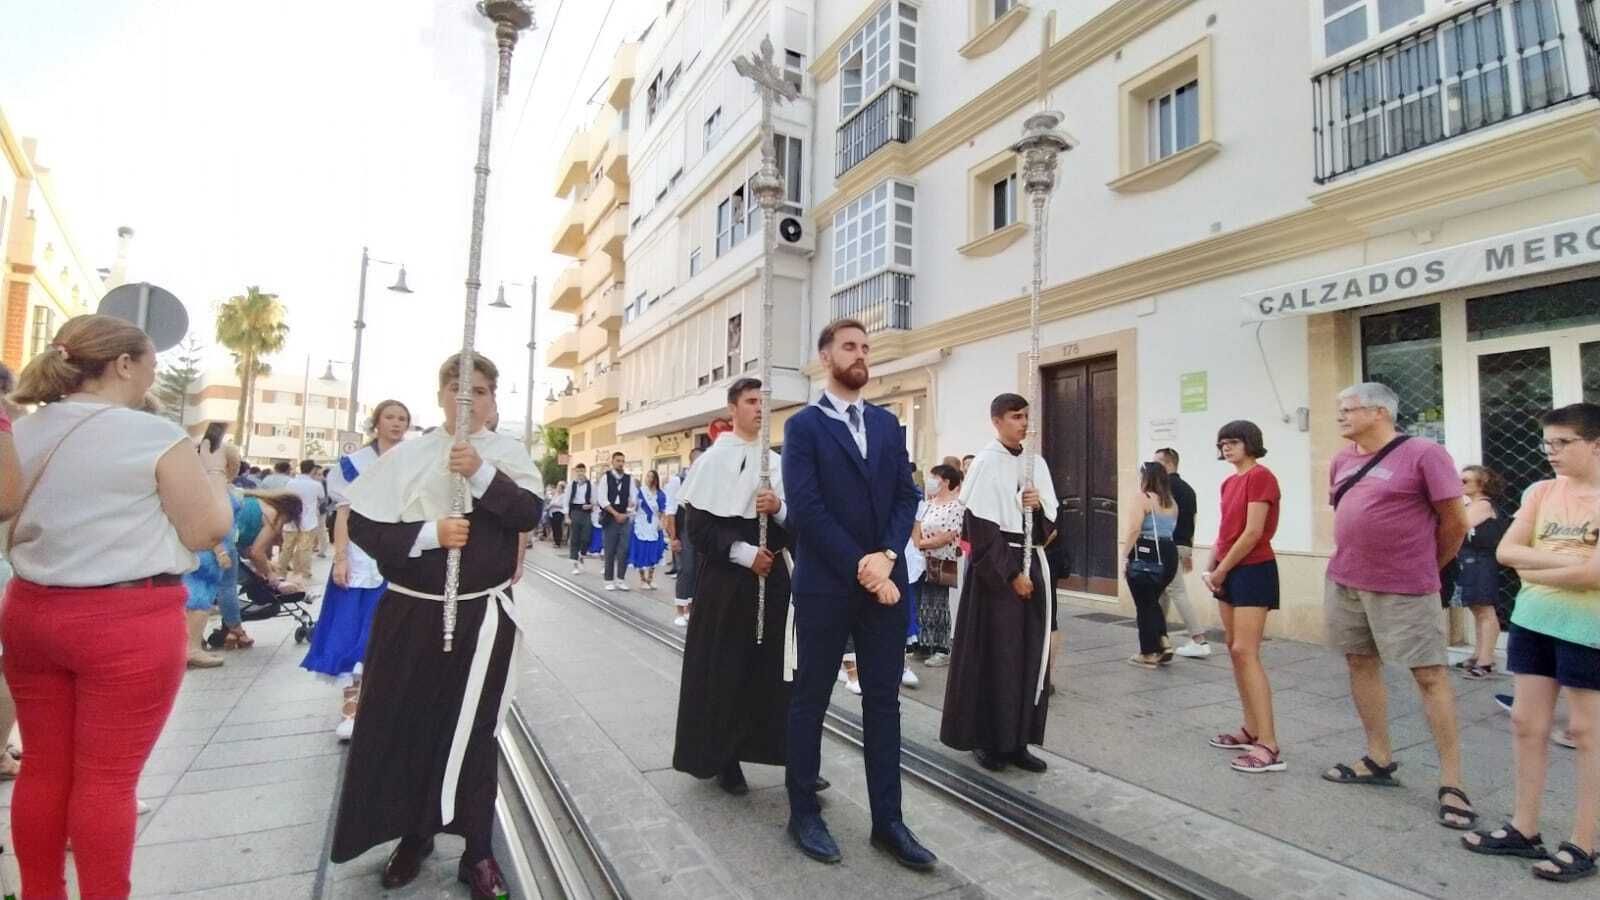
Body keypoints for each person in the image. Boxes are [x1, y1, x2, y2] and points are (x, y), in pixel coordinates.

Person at [2, 314, 232, 897]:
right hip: (126, 619)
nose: (153, 377)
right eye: (150, 364)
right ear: (123, 364)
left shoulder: (22, 430)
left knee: (43, 769)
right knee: (107, 781)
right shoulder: (151, 435)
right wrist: (213, 479)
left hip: (31, 609)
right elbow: (205, 529)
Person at [331, 352, 542, 897]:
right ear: (442, 396)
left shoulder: (510, 454)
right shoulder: (411, 455)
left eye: (480, 391)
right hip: (411, 611)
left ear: (495, 399)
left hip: (480, 614)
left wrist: (480, 473)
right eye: (458, 390)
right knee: (409, 722)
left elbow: (526, 514)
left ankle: (478, 850)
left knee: (476, 731)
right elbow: (365, 527)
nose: (468, 400)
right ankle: (413, 833)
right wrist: (429, 533)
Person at [782, 319, 933, 870]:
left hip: (884, 584)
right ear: (826, 358)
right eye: (850, 347)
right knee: (811, 698)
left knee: (884, 704)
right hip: (827, 585)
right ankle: (803, 810)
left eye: (866, 347)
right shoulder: (804, 427)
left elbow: (905, 496)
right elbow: (806, 507)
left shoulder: (888, 425)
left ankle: (888, 822)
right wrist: (859, 564)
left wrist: (888, 558)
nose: (861, 355)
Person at [1321, 382, 1475, 829]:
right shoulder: (1342, 459)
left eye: (1349, 410)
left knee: (1429, 675)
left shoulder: (1424, 453)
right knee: (1360, 663)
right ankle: (1378, 757)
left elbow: (1455, 521)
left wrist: (1427, 565)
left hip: (1405, 586)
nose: (1341, 417)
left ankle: (1453, 783)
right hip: (1347, 580)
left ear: (1380, 412)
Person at [1461, 403, 1599, 882]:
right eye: (1548, 443)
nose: (1551, 452)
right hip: (1535, 618)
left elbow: (1595, 573)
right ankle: (1525, 828)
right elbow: (1506, 552)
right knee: (1525, 721)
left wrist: (1539, 567)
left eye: (1563, 443)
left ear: (1596, 443)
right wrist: (1570, 569)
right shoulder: (1540, 491)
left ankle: (1585, 842)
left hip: (1590, 628)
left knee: (1586, 733)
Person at [673, 379, 797, 793]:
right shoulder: (713, 460)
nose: (760, 409)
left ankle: (786, 755)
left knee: (772, 672)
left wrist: (777, 509)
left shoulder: (777, 462)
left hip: (773, 579)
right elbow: (699, 528)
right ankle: (724, 757)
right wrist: (744, 553)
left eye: (765, 401)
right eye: (751, 402)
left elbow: (799, 526)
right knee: (725, 668)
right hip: (727, 581)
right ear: (732, 409)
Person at [940, 394, 1056, 774]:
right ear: (996, 421)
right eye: (1015, 416)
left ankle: (1018, 740)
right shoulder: (986, 463)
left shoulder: (1034, 462)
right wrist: (1011, 575)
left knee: (1028, 657)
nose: (1023, 423)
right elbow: (981, 530)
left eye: (1026, 416)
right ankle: (988, 740)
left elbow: (1051, 529)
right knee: (997, 657)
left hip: (1031, 564)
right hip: (998, 574)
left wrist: (1036, 507)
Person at [301, 399, 410, 741]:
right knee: (351, 629)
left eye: (402, 419)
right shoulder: (353, 464)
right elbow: (344, 514)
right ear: (376, 423)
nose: (396, 423)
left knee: (390, 630)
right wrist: (341, 558)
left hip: (400, 552)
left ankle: (385, 705)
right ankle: (351, 706)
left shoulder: (414, 460)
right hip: (362, 556)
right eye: (390, 417)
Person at [1198, 421, 1286, 774]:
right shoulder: (1228, 481)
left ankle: (1269, 744)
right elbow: (1225, 531)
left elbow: (1252, 533)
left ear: (1250, 443)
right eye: (1222, 443)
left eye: (1233, 442)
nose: (1227, 448)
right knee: (1234, 649)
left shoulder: (1261, 477)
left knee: (1245, 651)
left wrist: (1222, 570)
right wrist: (1212, 567)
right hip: (1228, 568)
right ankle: (1250, 728)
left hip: (1253, 569)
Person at [1451, 464, 1508, 679]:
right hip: (1471, 562)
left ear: (1481, 484)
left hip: (1481, 562)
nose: (1459, 484)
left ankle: (1486, 661)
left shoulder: (1483, 505)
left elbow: (1459, 526)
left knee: (1484, 610)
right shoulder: (1472, 504)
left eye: (1465, 481)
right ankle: (1478, 654)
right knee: (1477, 609)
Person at [1122, 462, 1180, 669]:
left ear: (1146, 478)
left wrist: (1124, 555)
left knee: (1144, 605)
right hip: (1169, 555)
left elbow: (1134, 529)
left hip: (1146, 554)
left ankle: (1147, 653)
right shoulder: (1172, 503)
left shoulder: (1143, 498)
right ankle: (1163, 642)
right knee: (1152, 600)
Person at [1154, 448, 1210, 657]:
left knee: (1176, 591)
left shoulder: (1163, 488)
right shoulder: (1188, 489)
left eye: (1157, 462)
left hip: (1168, 545)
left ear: (1168, 464)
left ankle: (1199, 640)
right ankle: (1160, 639)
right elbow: (1192, 522)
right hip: (1183, 544)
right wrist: (1189, 553)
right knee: (1161, 593)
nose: (1153, 466)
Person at [911, 463, 963, 666]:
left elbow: (947, 536)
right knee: (923, 603)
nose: (930, 481)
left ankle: (942, 648)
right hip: (922, 560)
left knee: (938, 604)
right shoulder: (929, 503)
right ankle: (924, 645)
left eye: (934, 477)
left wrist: (920, 544)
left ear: (946, 481)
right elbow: (918, 526)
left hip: (942, 560)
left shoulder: (956, 506)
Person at [665, 447, 704, 627]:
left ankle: (691, 608)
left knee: (698, 571)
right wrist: (673, 538)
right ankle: (680, 610)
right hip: (684, 530)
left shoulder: (705, 480)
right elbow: (670, 512)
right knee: (686, 569)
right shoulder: (677, 481)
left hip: (701, 530)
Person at [278, 460, 323, 584]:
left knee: (287, 548)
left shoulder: (290, 483)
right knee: (305, 549)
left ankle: (281, 572)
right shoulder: (316, 485)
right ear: (312, 470)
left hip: (291, 520)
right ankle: (303, 572)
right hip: (309, 521)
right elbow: (322, 497)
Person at [600, 451, 634, 590]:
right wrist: (615, 514)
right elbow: (602, 499)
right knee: (610, 549)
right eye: (618, 461)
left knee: (624, 549)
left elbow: (633, 498)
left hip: (624, 517)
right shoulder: (605, 478)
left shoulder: (629, 479)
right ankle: (608, 579)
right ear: (612, 462)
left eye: (622, 461)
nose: (620, 463)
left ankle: (621, 578)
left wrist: (627, 513)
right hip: (610, 516)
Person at [629, 470, 668, 589]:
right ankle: (642, 579)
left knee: (654, 551)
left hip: (654, 525)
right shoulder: (640, 492)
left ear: (656, 479)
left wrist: (662, 523)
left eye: (652, 477)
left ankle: (650, 578)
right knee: (641, 550)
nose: (650, 479)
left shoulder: (661, 494)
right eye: (648, 476)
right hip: (641, 524)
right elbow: (634, 506)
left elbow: (662, 511)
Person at [566, 463, 594, 574]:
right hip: (575, 512)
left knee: (586, 538)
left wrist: (591, 505)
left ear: (585, 471)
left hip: (586, 513)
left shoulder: (591, 485)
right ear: (575, 472)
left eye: (582, 471)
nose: (580, 473)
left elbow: (595, 501)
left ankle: (582, 555)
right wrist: (567, 516)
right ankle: (575, 564)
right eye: (578, 471)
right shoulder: (571, 485)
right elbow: (566, 501)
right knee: (574, 538)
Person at [548, 480, 567, 546]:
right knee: (554, 527)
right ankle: (555, 540)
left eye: (559, 487)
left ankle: (558, 542)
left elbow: (563, 505)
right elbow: (551, 502)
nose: (557, 488)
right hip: (552, 512)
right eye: (557, 487)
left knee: (558, 527)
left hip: (559, 512)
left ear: (562, 488)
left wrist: (554, 505)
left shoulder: (564, 495)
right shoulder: (556, 494)